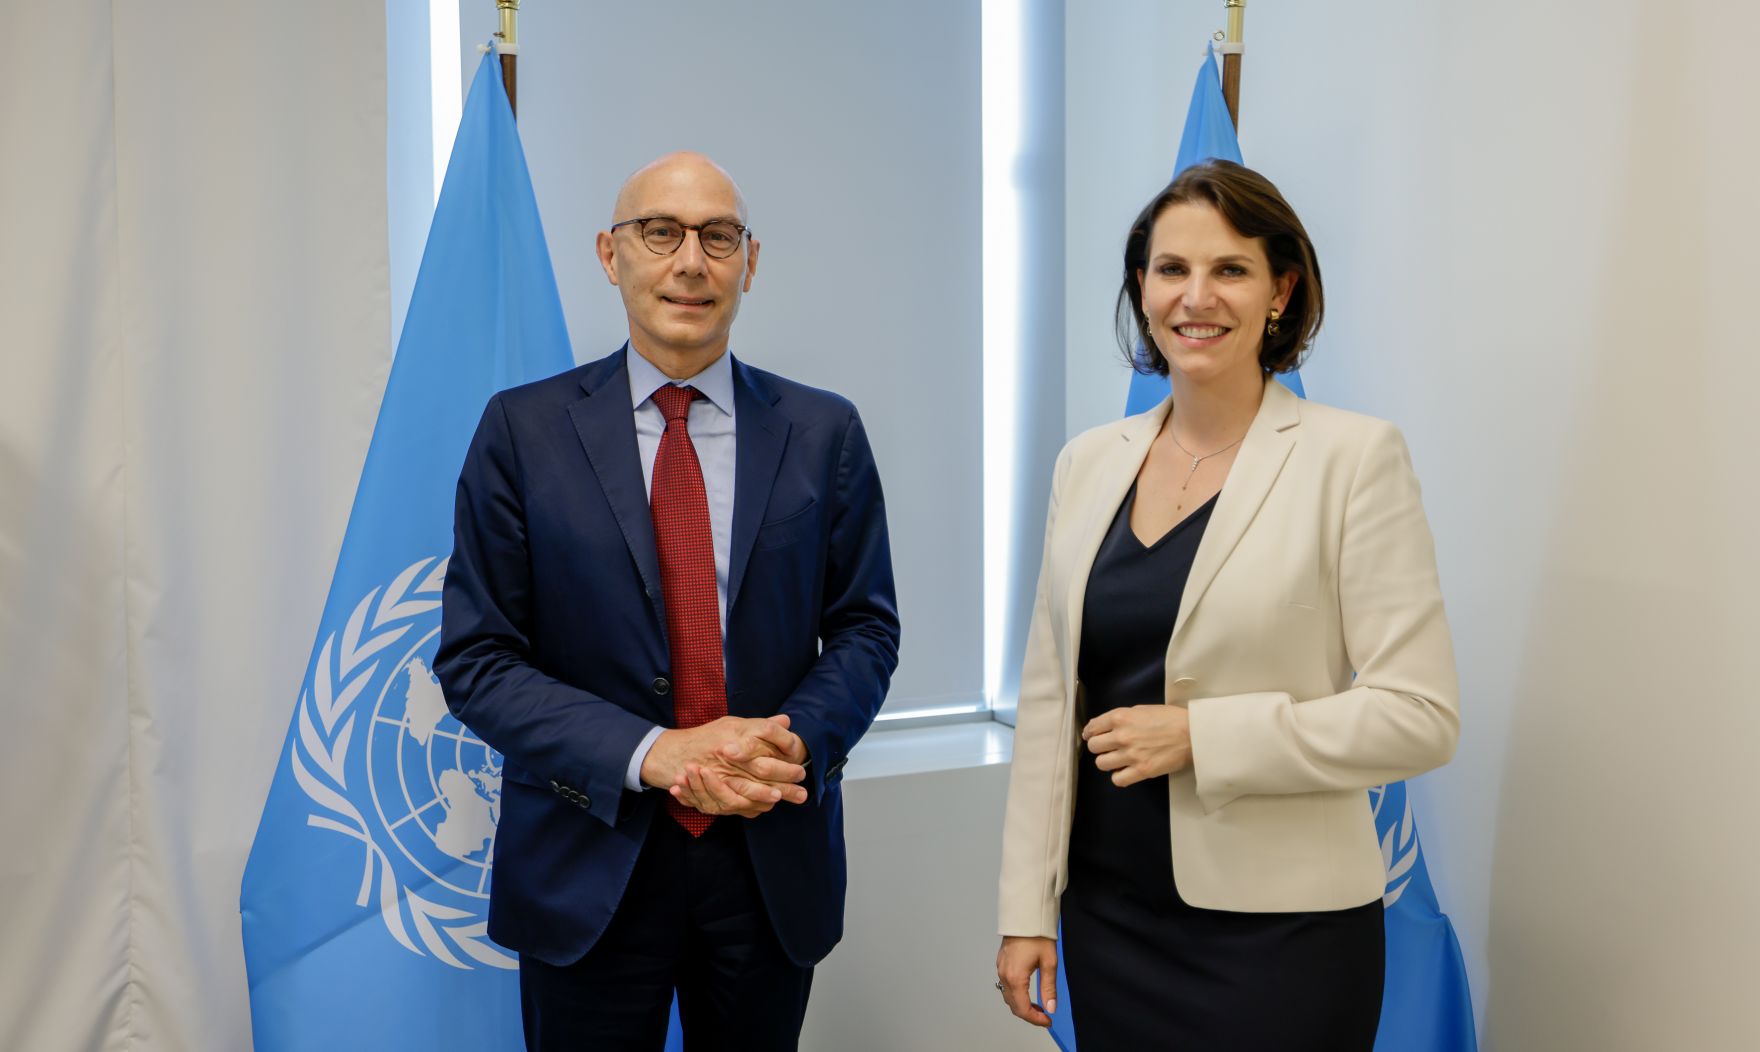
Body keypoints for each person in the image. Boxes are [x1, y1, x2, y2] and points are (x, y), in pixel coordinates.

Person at [436, 151, 900, 1051]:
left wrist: (786, 743)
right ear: (611, 255)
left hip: (766, 858)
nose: (691, 260)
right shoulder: (521, 432)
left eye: (718, 236)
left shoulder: (823, 432)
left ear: (749, 263)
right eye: (662, 233)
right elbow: (478, 658)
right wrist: (655, 753)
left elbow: (864, 629)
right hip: (588, 856)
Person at [994, 159, 1459, 1049]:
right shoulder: (1086, 462)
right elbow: (1054, 700)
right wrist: (1025, 907)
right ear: (1141, 286)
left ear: (1281, 289)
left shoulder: (1352, 459)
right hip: (1109, 919)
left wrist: (1204, 737)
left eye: (1230, 270)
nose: (1195, 297)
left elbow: (1420, 717)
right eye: (1171, 270)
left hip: (1283, 936)